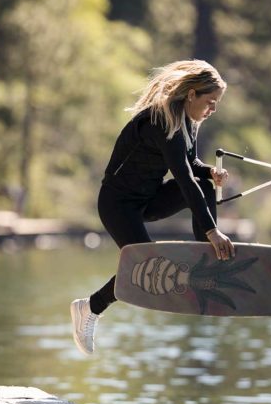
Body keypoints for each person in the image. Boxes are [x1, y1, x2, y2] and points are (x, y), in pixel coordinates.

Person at [71, 59, 235, 355]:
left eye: (217, 104)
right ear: (191, 95)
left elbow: (192, 165)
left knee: (206, 186)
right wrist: (213, 230)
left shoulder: (188, 122)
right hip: (117, 204)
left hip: (149, 198)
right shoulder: (162, 121)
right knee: (145, 268)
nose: (213, 110)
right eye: (210, 102)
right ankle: (90, 307)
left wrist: (210, 171)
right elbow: (184, 178)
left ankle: (207, 261)